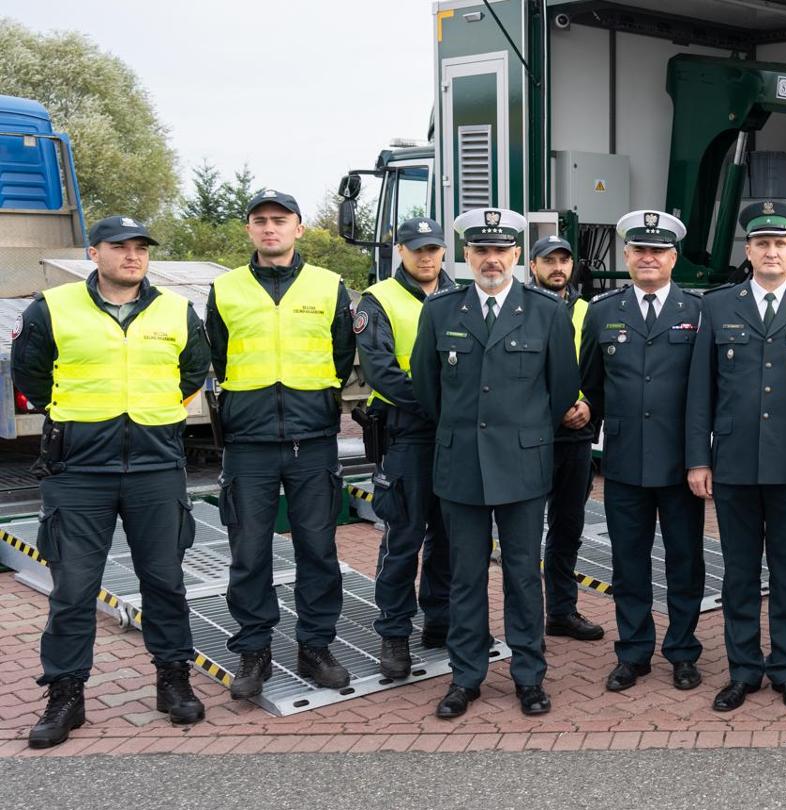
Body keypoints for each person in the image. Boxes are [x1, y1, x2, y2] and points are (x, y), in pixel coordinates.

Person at [16, 216, 211, 748]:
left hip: (156, 466)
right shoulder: (52, 308)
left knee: (165, 583)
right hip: (78, 471)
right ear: (93, 251)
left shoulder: (175, 310)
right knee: (73, 591)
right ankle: (65, 695)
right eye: (119, 247)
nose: (132, 256)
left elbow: (192, 373)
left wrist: (151, 419)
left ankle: (173, 682)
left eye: (140, 248)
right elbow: (31, 377)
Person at [412, 207, 582, 719]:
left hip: (523, 466)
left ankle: (529, 675)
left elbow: (562, 389)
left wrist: (524, 434)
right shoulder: (441, 311)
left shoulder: (546, 311)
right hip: (460, 463)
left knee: (522, 575)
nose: (491, 260)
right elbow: (427, 388)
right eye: (481, 250)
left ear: (516, 256)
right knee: (464, 576)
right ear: (466, 256)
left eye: (500, 250)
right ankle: (466, 676)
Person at [686, 201, 786, 714]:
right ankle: (743, 670)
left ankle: (785, 667)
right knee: (737, 572)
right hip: (733, 464)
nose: (772, 251)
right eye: (762, 244)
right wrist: (698, 459)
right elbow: (699, 394)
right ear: (749, 252)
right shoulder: (717, 306)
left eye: (781, 243)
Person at [207, 189, 354, 700]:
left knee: (319, 549)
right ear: (249, 229)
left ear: (299, 228)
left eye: (280, 220)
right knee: (249, 553)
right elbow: (220, 359)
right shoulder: (224, 289)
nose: (271, 228)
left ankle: (315, 646)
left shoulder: (329, 285)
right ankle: (253, 650)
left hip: (311, 441)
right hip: (248, 443)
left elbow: (341, 355)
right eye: (260, 221)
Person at [581, 210, 707, 693]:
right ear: (627, 256)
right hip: (626, 462)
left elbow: (707, 391)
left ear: (673, 258)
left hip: (681, 464)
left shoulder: (697, 311)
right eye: (639, 251)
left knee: (685, 561)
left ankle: (682, 650)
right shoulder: (603, 311)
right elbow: (589, 384)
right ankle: (633, 652)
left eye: (658, 251)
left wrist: (703, 457)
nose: (648, 258)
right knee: (628, 563)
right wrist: (582, 414)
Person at [356, 217, 456, 680]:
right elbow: (380, 372)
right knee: (403, 538)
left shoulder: (462, 296)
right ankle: (394, 634)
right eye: (416, 249)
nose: (425, 257)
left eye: (433, 248)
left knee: (451, 538)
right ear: (401, 251)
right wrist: (441, 403)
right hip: (409, 434)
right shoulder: (379, 300)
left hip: (455, 437)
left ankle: (440, 621)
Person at [526, 234, 605, 644]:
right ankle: (523, 621)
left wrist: (590, 405)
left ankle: (560, 611)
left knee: (567, 527)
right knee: (521, 531)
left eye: (564, 260)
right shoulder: (521, 307)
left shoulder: (589, 312)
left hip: (576, 435)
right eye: (549, 260)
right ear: (533, 265)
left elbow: (600, 369)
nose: (558, 267)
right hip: (530, 436)